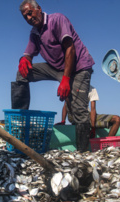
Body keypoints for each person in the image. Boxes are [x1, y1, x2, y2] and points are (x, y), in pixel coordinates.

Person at [12, 0, 94, 152]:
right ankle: (19, 121)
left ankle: (83, 153)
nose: (29, 18)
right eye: (25, 17)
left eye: (30, 13)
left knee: (78, 111)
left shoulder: (57, 19)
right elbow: (28, 54)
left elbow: (70, 48)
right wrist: (23, 60)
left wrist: (66, 79)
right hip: (56, 68)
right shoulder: (34, 34)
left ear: (39, 9)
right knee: (22, 73)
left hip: (78, 68)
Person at [56, 86, 120, 139]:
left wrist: (93, 128)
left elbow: (93, 109)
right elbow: (65, 105)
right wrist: (63, 121)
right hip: (73, 115)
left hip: (86, 116)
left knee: (117, 119)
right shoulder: (73, 85)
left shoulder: (92, 89)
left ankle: (107, 146)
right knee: (68, 98)